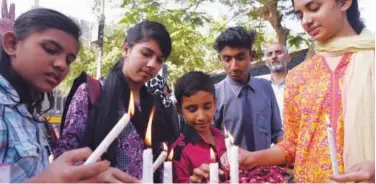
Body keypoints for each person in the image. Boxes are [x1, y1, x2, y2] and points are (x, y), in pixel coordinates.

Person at [238, 0, 375, 183]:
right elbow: (292, 144)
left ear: (344, 2)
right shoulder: (299, 76)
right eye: (300, 15)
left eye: (314, 8)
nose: (306, 21)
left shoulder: (372, 62)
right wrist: (251, 158)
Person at [0, 7, 116, 183]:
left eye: (69, 60)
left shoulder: (30, 111)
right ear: (11, 44)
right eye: (50, 49)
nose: (62, 65)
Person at [55, 20, 180, 182]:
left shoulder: (154, 105)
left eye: (159, 60)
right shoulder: (91, 93)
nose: (152, 65)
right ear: (126, 49)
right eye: (146, 54)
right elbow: (64, 157)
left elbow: (159, 162)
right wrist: (96, 175)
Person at [213, 26, 283, 152]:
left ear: (252, 55)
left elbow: (277, 133)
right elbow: (210, 140)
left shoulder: (265, 87)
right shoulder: (214, 94)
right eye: (227, 59)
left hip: (266, 167)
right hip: (231, 169)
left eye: (240, 57)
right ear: (220, 60)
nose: (234, 66)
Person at [171, 71, 226, 183]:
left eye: (207, 107)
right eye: (192, 109)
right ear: (179, 109)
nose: (201, 117)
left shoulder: (221, 136)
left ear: (214, 103)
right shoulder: (178, 152)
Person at [264, 43, 291, 120]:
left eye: (278, 52)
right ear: (266, 62)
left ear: (288, 58)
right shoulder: (259, 87)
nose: (274, 56)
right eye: (270, 54)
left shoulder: (300, 83)